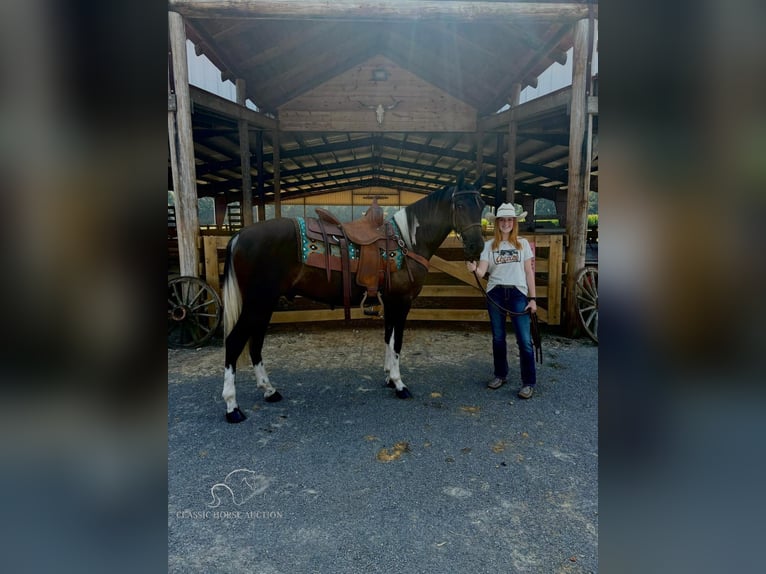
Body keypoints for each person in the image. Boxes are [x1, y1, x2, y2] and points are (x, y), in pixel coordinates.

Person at [466, 202, 538, 399]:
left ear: (514, 222)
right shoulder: (489, 246)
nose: (506, 223)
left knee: (524, 339)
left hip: (517, 293)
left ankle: (528, 382)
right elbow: (482, 271)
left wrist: (532, 299)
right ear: (497, 223)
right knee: (498, 337)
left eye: (510, 220)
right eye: (503, 220)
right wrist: (474, 269)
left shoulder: (522, 244)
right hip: (496, 293)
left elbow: (528, 272)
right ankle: (500, 374)